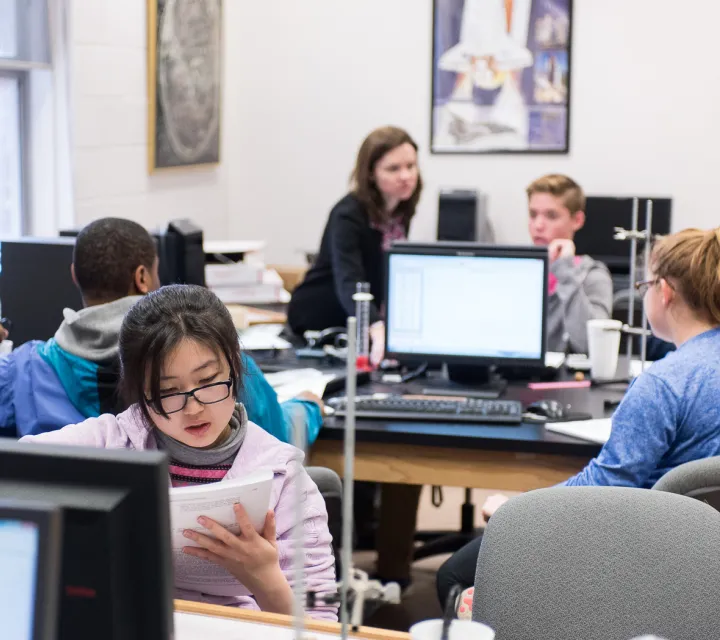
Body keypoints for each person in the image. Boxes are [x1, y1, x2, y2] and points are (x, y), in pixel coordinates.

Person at [436, 227, 720, 607]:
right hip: (700, 548)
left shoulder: (663, 384)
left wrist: (518, 511)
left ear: (664, 291)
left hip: (641, 543)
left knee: (453, 574)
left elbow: (606, 485)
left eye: (645, 284)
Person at [21, 284, 337, 618]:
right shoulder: (112, 442)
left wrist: (265, 580)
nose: (193, 407)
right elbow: (14, 470)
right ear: (138, 392)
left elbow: (322, 624)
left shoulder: (284, 478)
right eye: (167, 391)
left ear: (235, 366)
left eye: (208, 380)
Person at [0, 218, 323, 445]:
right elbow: (276, 434)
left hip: (67, 536)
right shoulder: (209, 365)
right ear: (143, 277)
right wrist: (307, 408)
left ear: (74, 276)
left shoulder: (23, 369)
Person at [288, 125, 423, 367]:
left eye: (410, 166)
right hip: (320, 315)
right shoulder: (347, 214)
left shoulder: (401, 206)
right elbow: (349, 279)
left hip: (360, 318)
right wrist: (375, 325)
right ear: (370, 173)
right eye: (393, 169)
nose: (406, 176)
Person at [527, 174, 613, 353]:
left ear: (577, 220)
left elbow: (592, 345)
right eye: (533, 214)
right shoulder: (519, 270)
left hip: (563, 379)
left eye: (551, 216)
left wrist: (565, 273)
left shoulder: (592, 275)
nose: (538, 225)